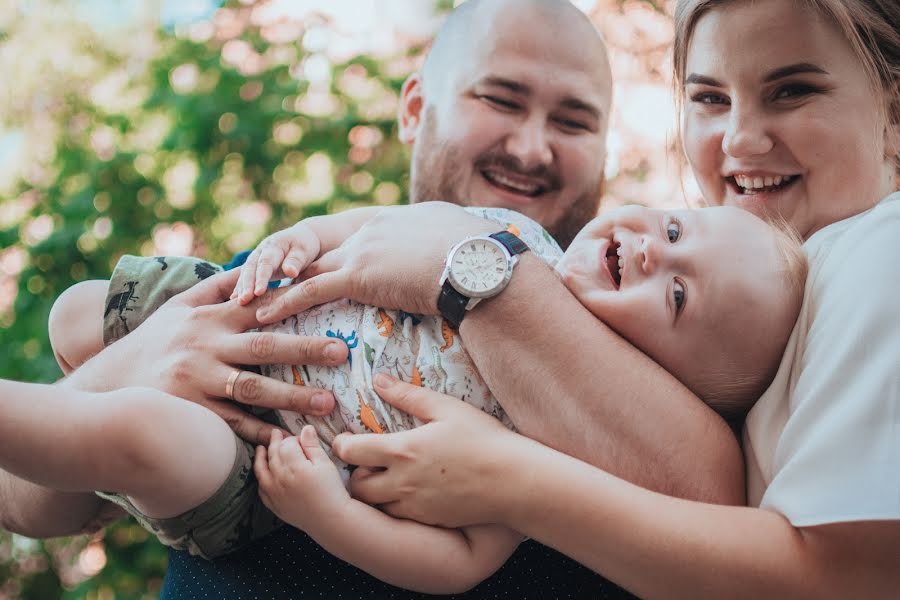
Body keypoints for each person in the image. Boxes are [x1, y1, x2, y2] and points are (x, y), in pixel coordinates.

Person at [0, 0, 738, 597]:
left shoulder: (656, 331)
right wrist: (140, 362)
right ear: (415, 110)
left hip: (252, 480)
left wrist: (473, 277)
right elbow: (24, 503)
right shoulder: (319, 258)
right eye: (500, 99)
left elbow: (712, 498)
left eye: (574, 121)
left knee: (146, 435)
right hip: (198, 422)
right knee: (80, 315)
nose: (533, 147)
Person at [249, 0, 900, 597]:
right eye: (707, 97)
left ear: (893, 115)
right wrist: (160, 345)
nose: (738, 140)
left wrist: (512, 477)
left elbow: (841, 571)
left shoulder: (875, 251)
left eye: (793, 90)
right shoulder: (716, 283)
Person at [39, 202, 803, 590]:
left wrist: (324, 512)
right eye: (676, 226)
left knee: (142, 435)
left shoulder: (558, 434)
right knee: (74, 309)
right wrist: (302, 237)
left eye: (676, 296)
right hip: (237, 304)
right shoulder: (511, 237)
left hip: (259, 457)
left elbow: (457, 564)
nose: (653, 247)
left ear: (671, 381)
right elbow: (371, 225)